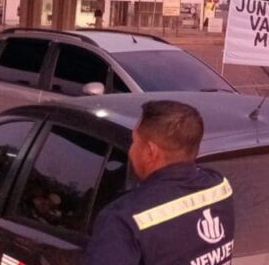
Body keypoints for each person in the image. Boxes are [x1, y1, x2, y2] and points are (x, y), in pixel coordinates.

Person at [83, 100, 235, 265]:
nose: (131, 150)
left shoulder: (123, 219)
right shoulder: (219, 186)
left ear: (150, 151)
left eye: (134, 141)